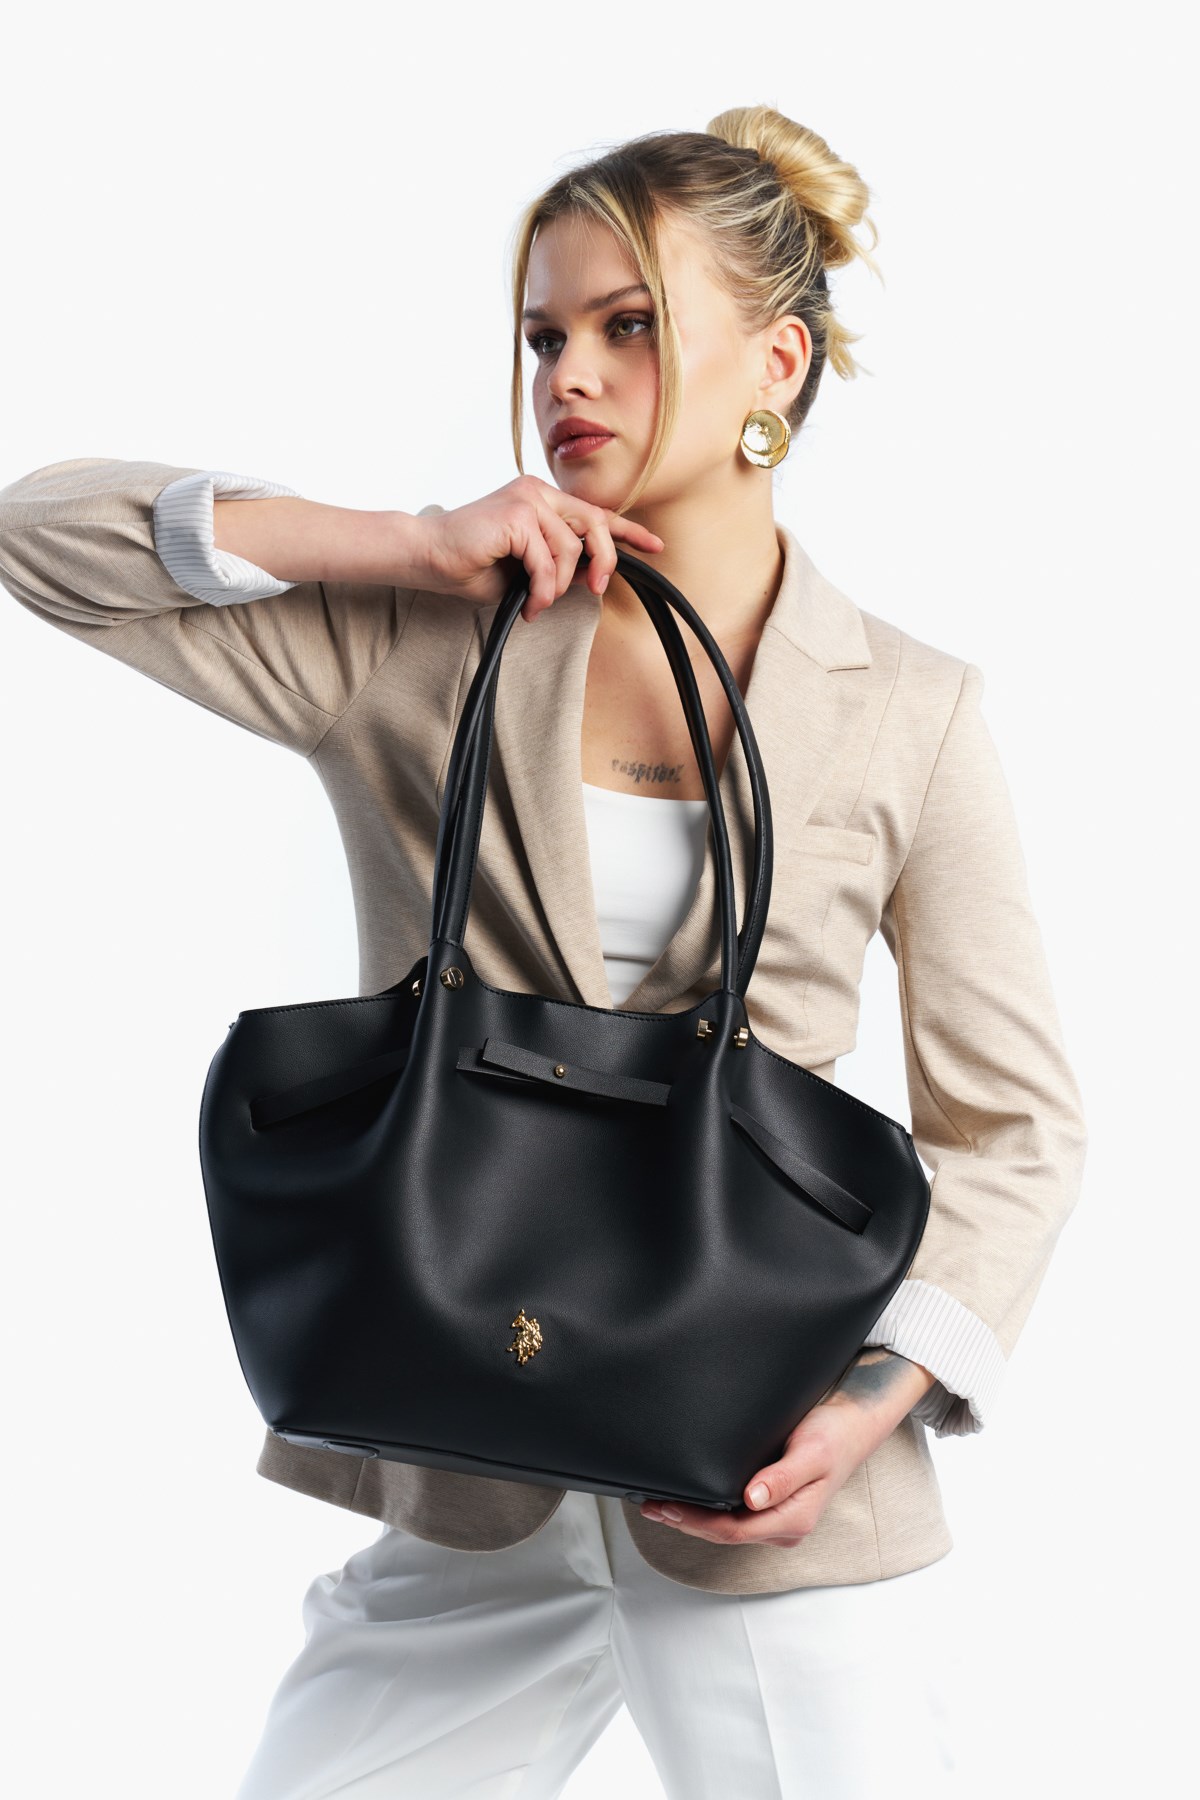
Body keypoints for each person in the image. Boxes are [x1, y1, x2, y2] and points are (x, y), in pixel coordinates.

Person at [0, 105, 1087, 1797]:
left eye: (629, 326)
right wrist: (401, 541)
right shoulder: (422, 644)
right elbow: (40, 536)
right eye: (544, 335)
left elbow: (1014, 1123)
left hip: (763, 1488)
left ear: (777, 366)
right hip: (466, 1476)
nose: (569, 374)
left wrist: (874, 1399)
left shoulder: (912, 712)